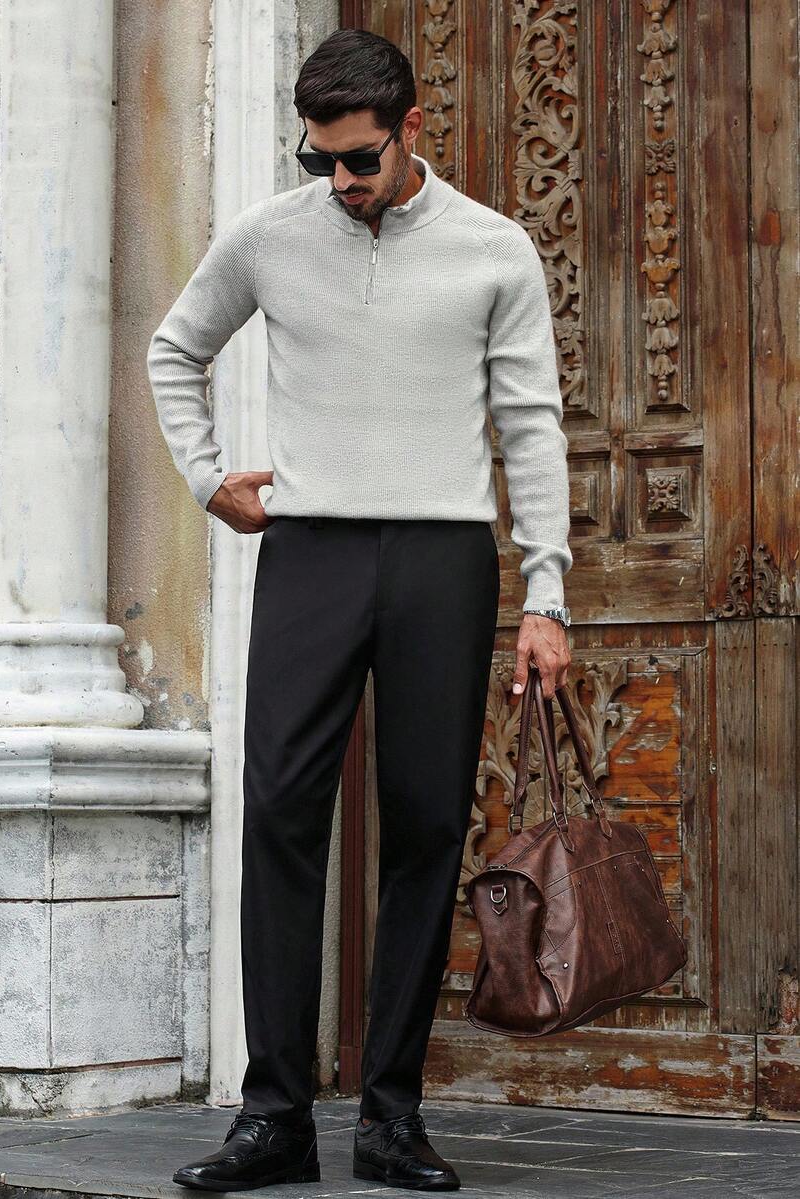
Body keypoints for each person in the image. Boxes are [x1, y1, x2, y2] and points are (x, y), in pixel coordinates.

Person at [147, 26, 572, 1193]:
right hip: (312, 551)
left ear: (412, 127)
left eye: (360, 157)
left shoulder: (494, 249)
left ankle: (390, 1115)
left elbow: (531, 426)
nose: (339, 178)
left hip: (443, 557)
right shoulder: (269, 237)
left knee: (426, 827)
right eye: (320, 156)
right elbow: (175, 349)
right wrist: (208, 477)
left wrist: (548, 593)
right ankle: (274, 1116)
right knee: (281, 811)